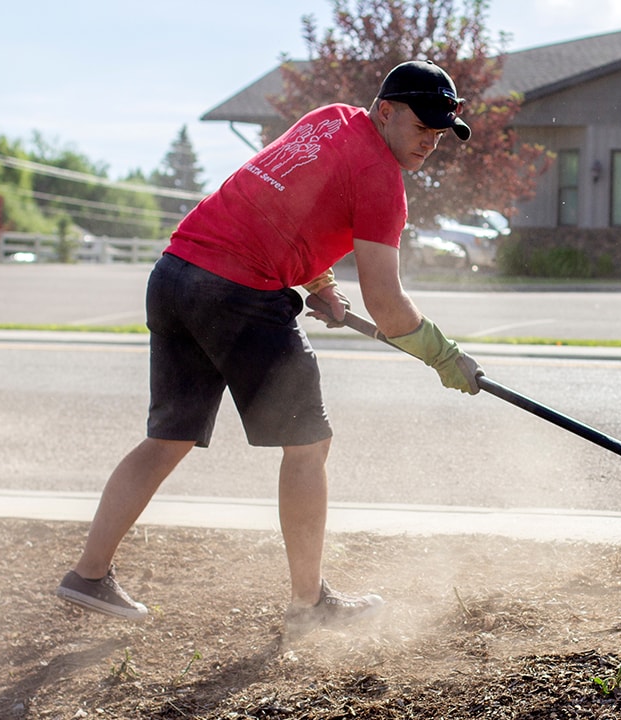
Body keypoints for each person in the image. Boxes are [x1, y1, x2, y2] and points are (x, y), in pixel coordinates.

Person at [56, 60, 483, 633]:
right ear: (386, 111)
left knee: (168, 438)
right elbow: (386, 302)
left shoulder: (329, 121)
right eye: (421, 127)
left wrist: (321, 282)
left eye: (440, 134)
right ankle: (310, 606)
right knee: (308, 444)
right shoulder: (383, 180)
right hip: (237, 293)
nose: (429, 142)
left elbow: (284, 208)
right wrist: (444, 356)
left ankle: (88, 575)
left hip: (177, 274)